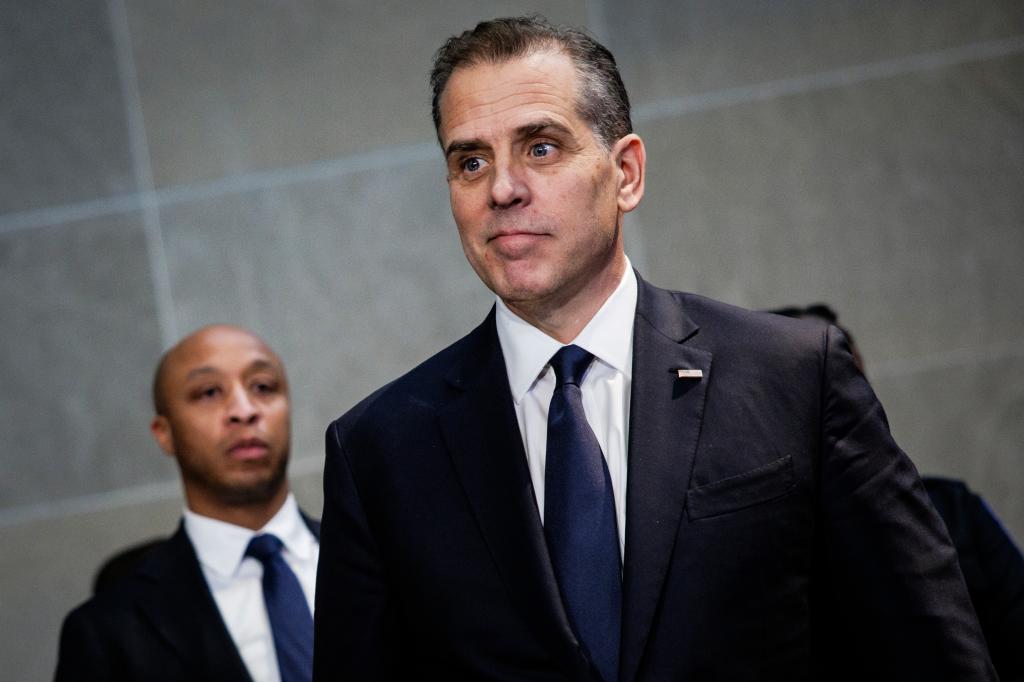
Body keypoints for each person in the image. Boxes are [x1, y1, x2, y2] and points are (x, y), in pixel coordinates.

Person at [313, 16, 994, 681]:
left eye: (541, 147)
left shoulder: (791, 375)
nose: (503, 188)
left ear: (627, 174)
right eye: (470, 160)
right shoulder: (380, 451)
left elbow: (926, 649)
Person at [772, 303, 1024, 681]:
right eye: (818, 388)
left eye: (850, 379)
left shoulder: (953, 510)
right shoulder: (764, 553)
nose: (844, 406)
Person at [56, 325, 318, 682]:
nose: (244, 410)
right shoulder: (105, 631)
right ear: (164, 433)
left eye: (262, 387)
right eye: (209, 392)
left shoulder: (383, 557)